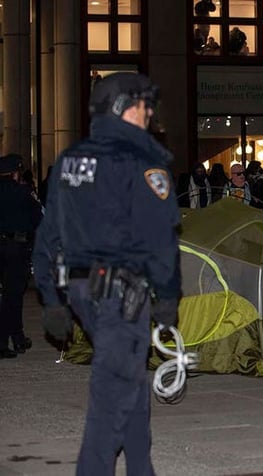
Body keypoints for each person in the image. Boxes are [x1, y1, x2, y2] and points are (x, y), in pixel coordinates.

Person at [32, 72, 180, 475]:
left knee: (130, 383)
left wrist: (49, 297)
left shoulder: (69, 160)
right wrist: (168, 296)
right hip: (121, 296)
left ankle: (141, 467)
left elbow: (48, 233)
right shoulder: (139, 161)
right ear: (124, 108)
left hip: (81, 291)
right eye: (143, 106)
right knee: (111, 398)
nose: (148, 114)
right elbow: (160, 238)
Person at [0, 154, 42, 358]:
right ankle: (13, 338)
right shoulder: (24, 193)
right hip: (17, 248)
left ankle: (14, 338)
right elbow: (39, 218)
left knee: (4, 296)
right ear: (16, 173)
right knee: (13, 295)